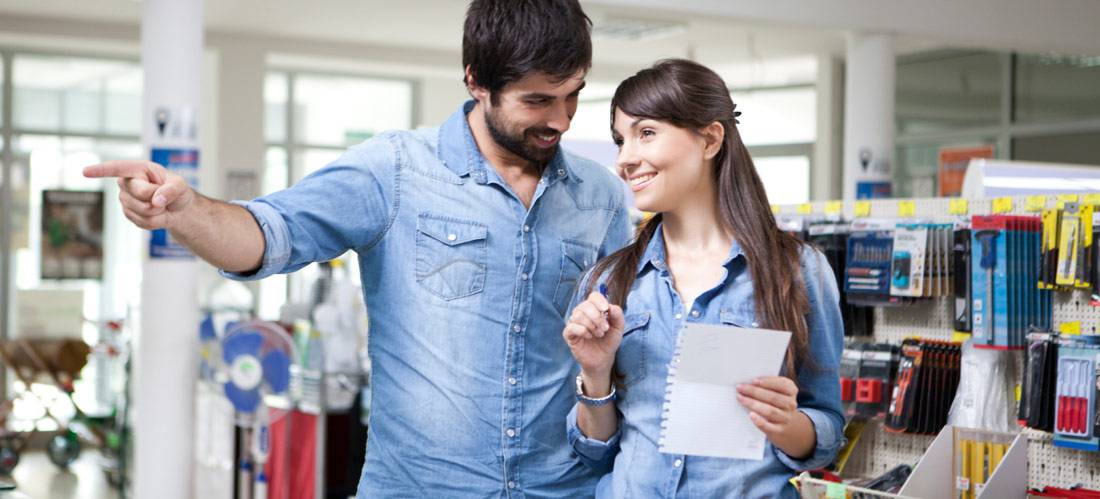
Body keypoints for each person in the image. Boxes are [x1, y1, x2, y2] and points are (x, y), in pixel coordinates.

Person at [85, 1, 631, 496]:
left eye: (573, 94)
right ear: (476, 82)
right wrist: (184, 212)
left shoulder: (600, 195)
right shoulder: (394, 170)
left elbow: (621, 347)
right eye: (537, 100)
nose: (560, 119)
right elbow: (268, 235)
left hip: (565, 488)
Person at [562, 59, 845, 498]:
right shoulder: (609, 281)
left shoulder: (797, 271)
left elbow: (825, 426)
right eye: (621, 140)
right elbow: (594, 453)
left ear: (711, 138)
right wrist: (595, 376)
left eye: (646, 133)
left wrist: (787, 424)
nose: (625, 159)